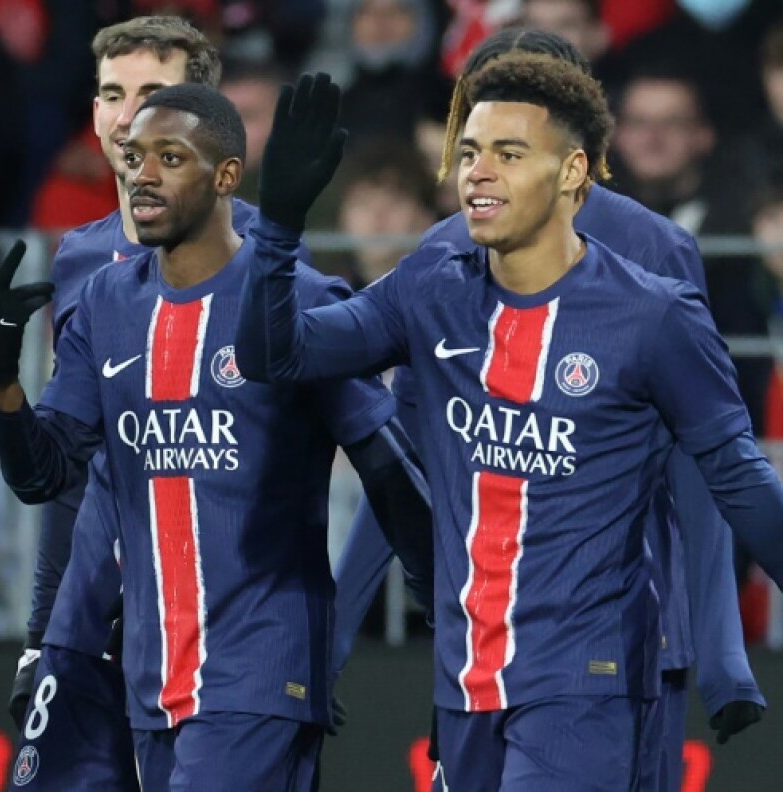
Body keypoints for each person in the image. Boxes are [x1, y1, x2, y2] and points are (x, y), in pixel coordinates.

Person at [236, 60, 783, 790]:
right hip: (465, 677)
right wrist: (277, 229)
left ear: (572, 172)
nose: (479, 172)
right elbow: (276, 354)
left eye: (508, 153)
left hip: (584, 681)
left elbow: (737, 477)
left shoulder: (654, 314)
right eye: (468, 152)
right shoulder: (430, 287)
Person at [0, 17, 431, 791]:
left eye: (171, 156)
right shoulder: (102, 297)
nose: (143, 171)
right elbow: (48, 476)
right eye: (135, 157)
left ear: (228, 175)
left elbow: (390, 470)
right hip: (148, 672)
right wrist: (4, 389)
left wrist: (450, 634)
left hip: (259, 669)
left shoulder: (293, 296)